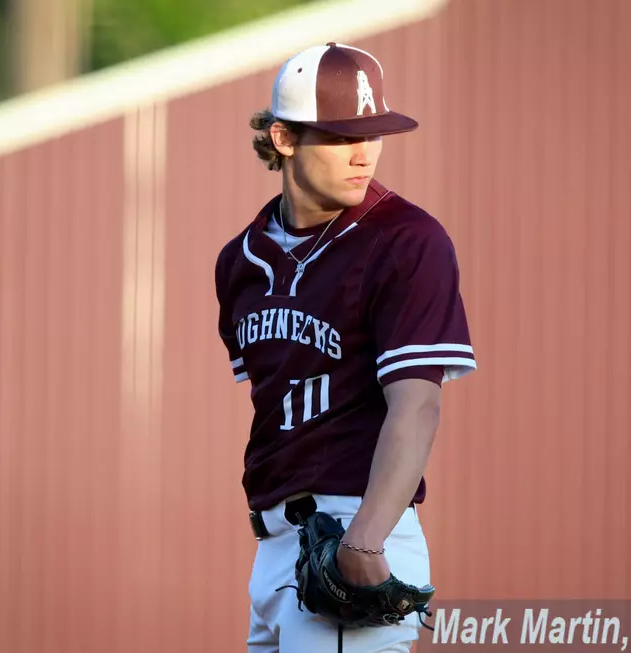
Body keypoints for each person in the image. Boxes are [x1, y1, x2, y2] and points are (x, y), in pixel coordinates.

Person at [214, 41, 477, 653]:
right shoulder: (240, 261)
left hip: (352, 531)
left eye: (374, 132)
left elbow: (418, 404)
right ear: (283, 139)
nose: (364, 153)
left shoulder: (407, 240)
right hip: (275, 548)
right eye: (341, 136)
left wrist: (366, 540)